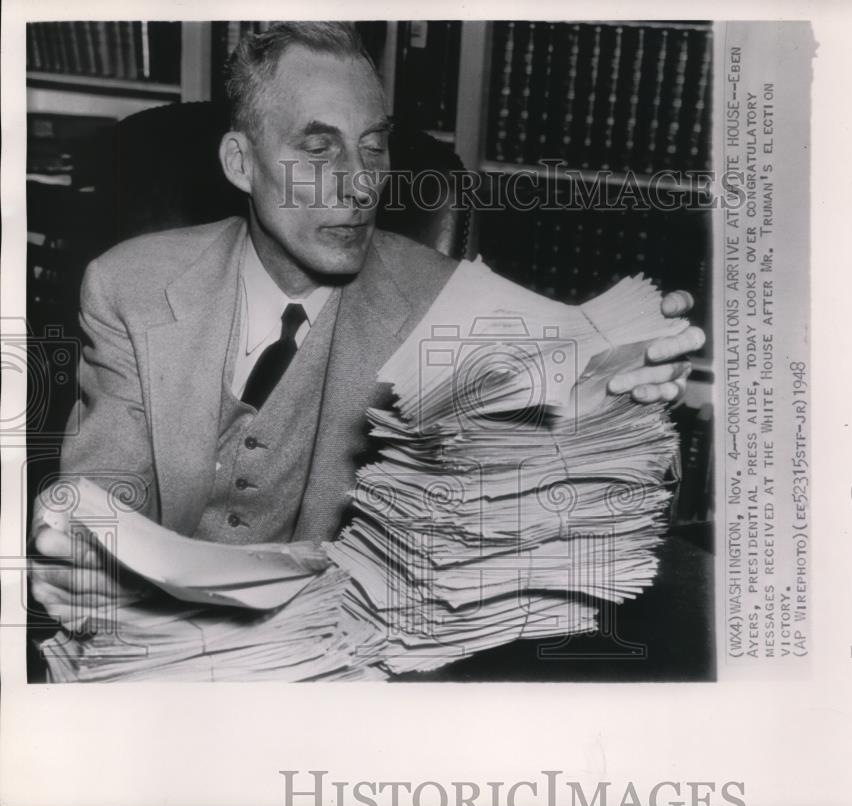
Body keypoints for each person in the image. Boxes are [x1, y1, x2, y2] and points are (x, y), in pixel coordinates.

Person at [30, 22, 705, 628]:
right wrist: (79, 546)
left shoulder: (448, 300)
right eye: (319, 149)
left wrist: (624, 403)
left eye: (374, 146)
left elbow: (592, 470)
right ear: (241, 164)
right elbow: (104, 490)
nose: (361, 185)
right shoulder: (129, 285)